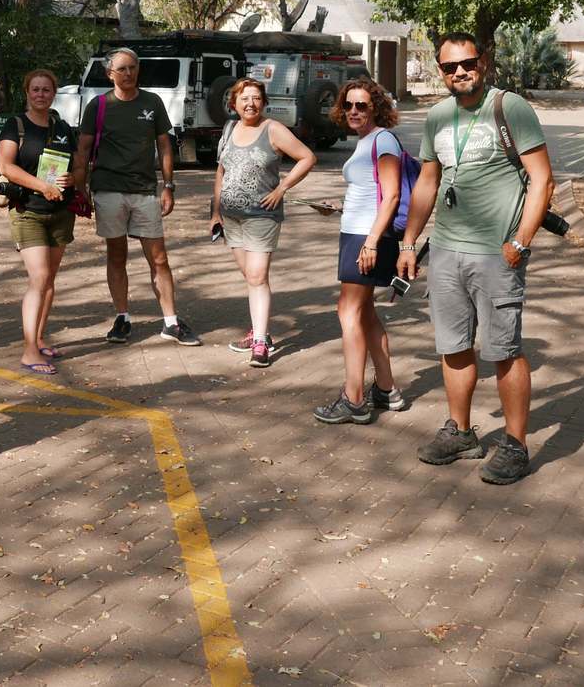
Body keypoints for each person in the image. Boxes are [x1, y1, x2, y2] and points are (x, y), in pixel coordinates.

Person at [396, 33, 554, 485]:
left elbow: (542, 180)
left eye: (467, 63)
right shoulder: (438, 116)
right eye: (449, 67)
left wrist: (521, 241)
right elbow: (427, 183)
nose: (459, 72)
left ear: (482, 62)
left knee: (503, 351)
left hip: (496, 253)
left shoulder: (511, 108)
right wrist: (410, 243)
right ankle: (461, 432)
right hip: (446, 250)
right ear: (439, 70)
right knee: (453, 345)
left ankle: (516, 444)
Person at [74, 47, 200, 346]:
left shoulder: (152, 102)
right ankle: (122, 318)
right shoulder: (98, 106)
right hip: (108, 191)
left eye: (133, 68)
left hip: (145, 192)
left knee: (159, 259)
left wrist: (168, 185)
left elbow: (165, 147)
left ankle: (171, 321)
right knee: (116, 256)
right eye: (122, 69)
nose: (128, 73)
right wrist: (80, 192)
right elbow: (82, 151)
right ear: (110, 74)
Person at [313, 78, 412, 423]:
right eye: (349, 105)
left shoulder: (383, 140)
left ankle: (353, 397)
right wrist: (337, 206)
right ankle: (387, 391)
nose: (354, 111)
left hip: (367, 239)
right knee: (365, 313)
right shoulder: (366, 141)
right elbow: (370, 194)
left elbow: (393, 194)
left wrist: (370, 242)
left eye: (362, 106)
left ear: (376, 108)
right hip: (357, 232)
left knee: (348, 312)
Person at [209, 78, 315, 368]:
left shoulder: (273, 130)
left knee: (257, 277)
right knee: (251, 277)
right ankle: (258, 330)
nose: (250, 103)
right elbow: (222, 172)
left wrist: (281, 189)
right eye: (244, 99)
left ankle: (260, 342)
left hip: (262, 217)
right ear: (234, 103)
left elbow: (307, 157)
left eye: (256, 98)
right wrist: (215, 213)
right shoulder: (230, 129)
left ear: (264, 102)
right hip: (231, 218)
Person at [0, 69, 78, 375]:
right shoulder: (15, 125)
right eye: (35, 89)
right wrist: (41, 186)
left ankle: (40, 337)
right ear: (27, 93)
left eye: (46, 90)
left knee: (49, 281)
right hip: (27, 211)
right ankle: (29, 351)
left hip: (60, 212)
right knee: (39, 278)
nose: (41, 94)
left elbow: (76, 165)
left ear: (53, 93)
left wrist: (71, 178)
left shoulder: (62, 127)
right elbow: (6, 166)